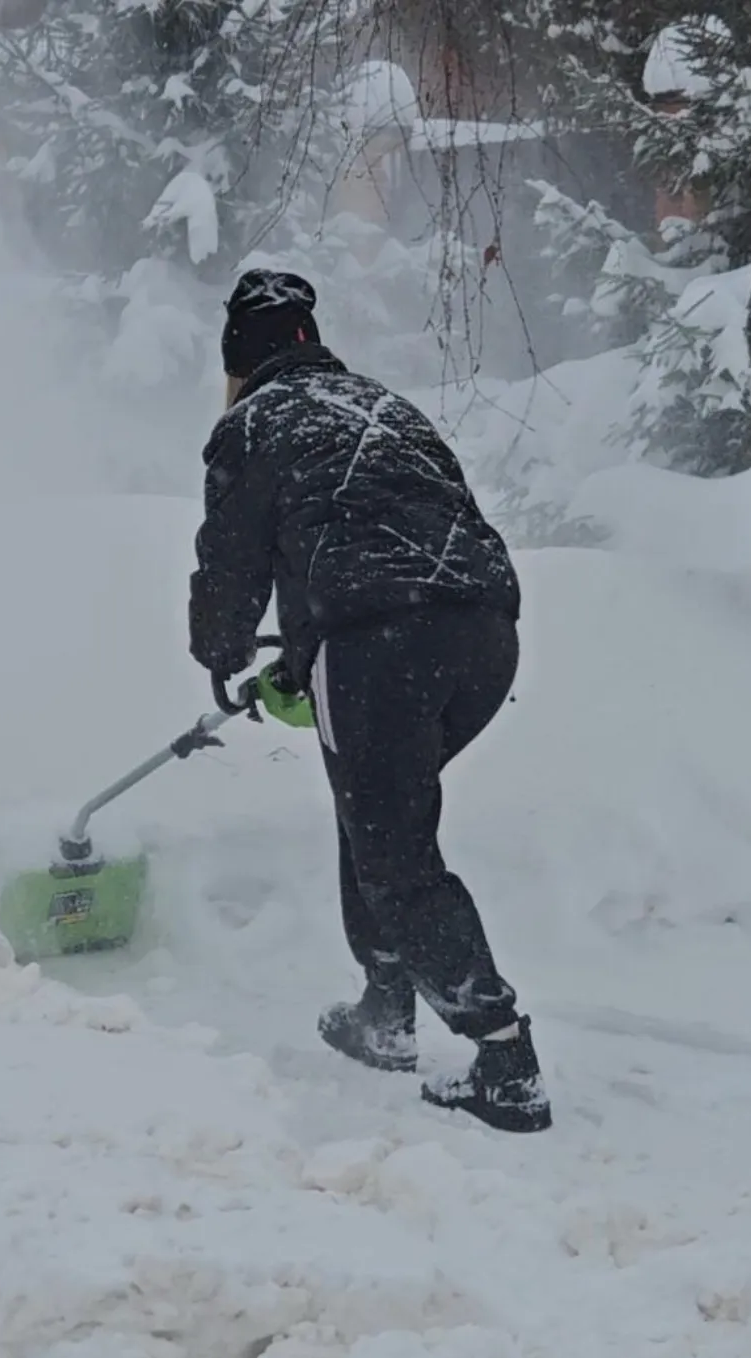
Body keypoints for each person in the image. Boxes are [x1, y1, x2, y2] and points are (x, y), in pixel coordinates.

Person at [187, 268, 551, 1135]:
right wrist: (306, 656)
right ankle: (385, 1006)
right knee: (376, 814)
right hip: (484, 637)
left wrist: (222, 654)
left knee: (391, 848)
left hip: (384, 643)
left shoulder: (253, 423)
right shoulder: (384, 408)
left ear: (241, 360)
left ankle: (505, 1060)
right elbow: (380, 534)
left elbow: (230, 563)